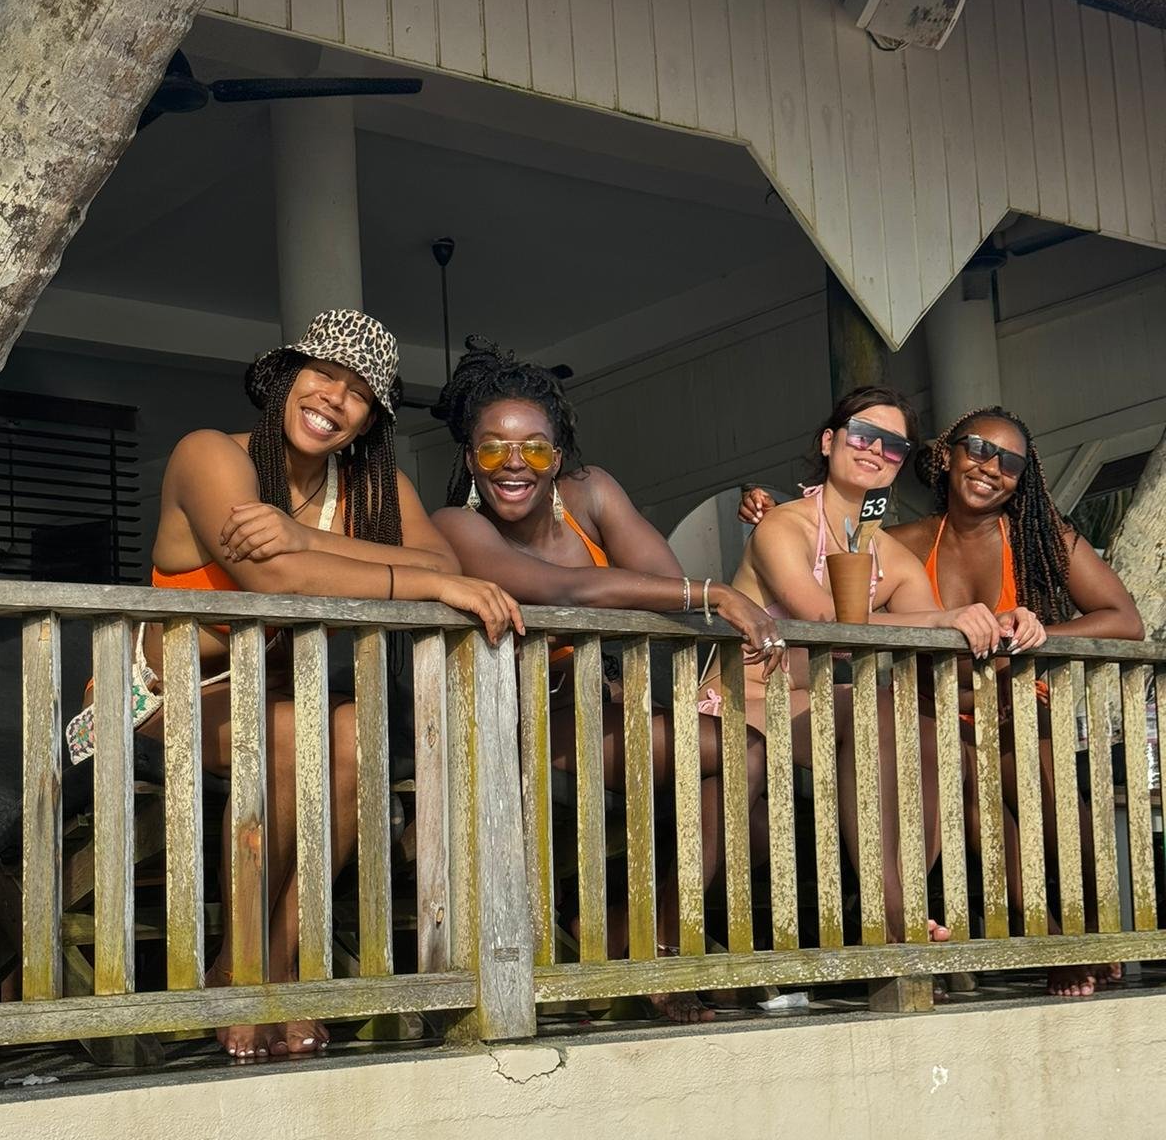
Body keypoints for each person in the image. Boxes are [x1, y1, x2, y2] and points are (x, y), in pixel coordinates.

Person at [139, 310, 523, 1062]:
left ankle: (280, 963)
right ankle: (242, 962)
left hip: (280, 698)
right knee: (300, 727)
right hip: (167, 697)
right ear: (284, 377)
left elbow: (449, 567)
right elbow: (269, 577)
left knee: (347, 728)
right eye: (323, 375)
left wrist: (307, 535)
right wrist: (406, 582)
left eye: (359, 393)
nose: (334, 399)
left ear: (370, 420)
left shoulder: (366, 489)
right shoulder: (210, 454)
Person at [431, 338, 785, 1023]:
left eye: (534, 448)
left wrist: (694, 596)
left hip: (601, 710)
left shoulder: (591, 493)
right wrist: (713, 593)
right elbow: (565, 589)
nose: (514, 464)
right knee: (736, 756)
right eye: (493, 448)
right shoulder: (454, 525)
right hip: (513, 716)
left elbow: (655, 580)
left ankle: (650, 928)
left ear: (557, 456)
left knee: (744, 757)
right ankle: (643, 936)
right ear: (470, 458)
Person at [739, 404, 1144, 994]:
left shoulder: (1041, 537)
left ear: (1022, 478)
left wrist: (1032, 634)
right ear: (946, 456)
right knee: (974, 804)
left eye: (1009, 461)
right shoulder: (901, 542)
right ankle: (1051, 939)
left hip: (1010, 705)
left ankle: (1096, 932)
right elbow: (841, 580)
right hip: (936, 708)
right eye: (978, 448)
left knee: (1049, 794)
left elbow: (1125, 620)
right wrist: (766, 509)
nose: (989, 467)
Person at [720, 386, 1003, 946]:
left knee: (925, 723)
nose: (876, 450)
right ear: (829, 442)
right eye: (863, 435)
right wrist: (945, 619)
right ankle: (891, 912)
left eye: (893, 446)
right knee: (875, 705)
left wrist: (1012, 623)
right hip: (741, 700)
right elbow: (821, 619)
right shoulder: (783, 525)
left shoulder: (894, 558)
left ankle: (891, 900)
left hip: (816, 707)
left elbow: (934, 640)